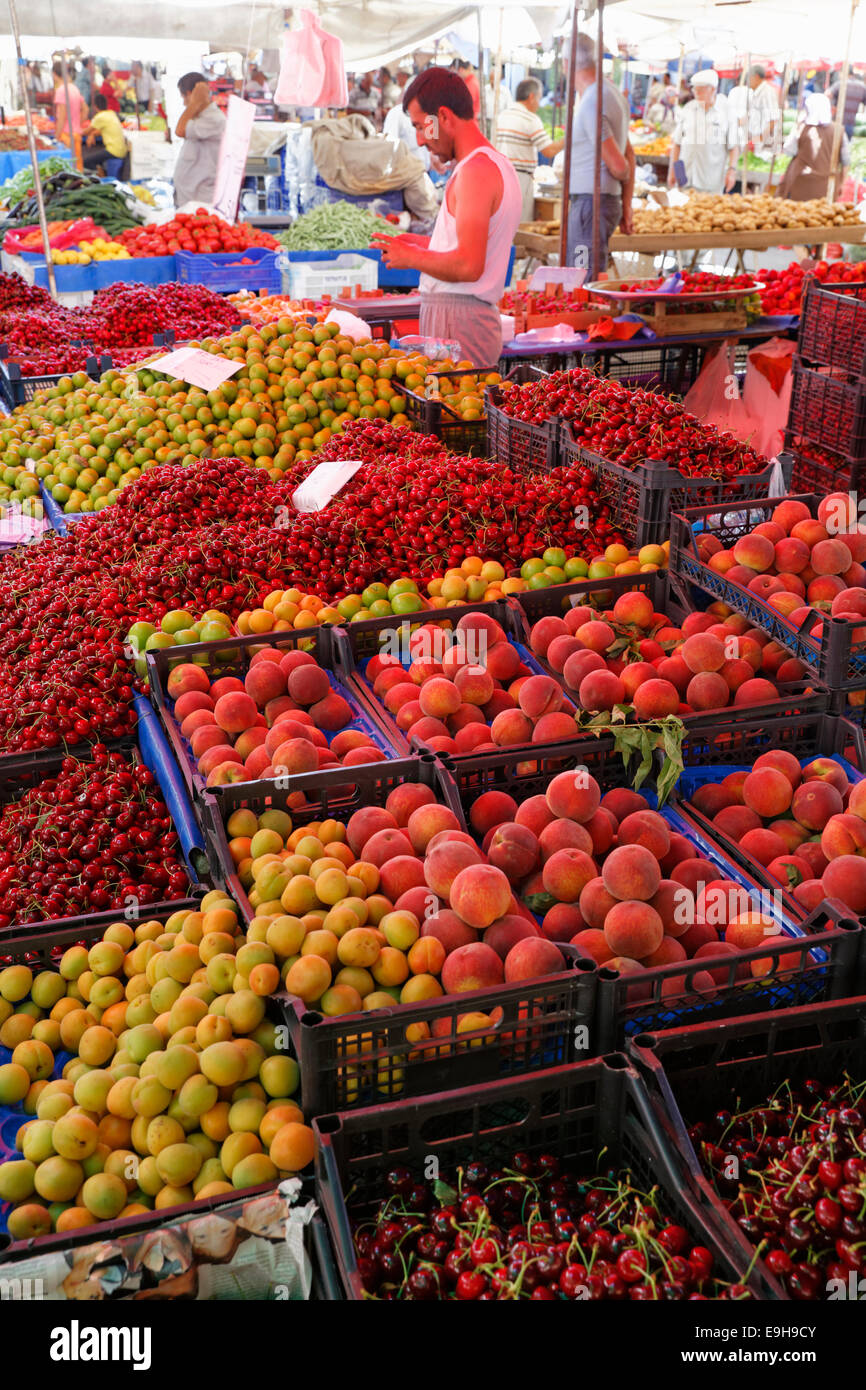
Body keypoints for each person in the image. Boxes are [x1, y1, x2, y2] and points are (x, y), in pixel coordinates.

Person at [371, 67, 522, 366]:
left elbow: (468, 265)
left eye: (420, 126)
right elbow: (470, 248)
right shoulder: (488, 165)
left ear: (442, 117)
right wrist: (421, 245)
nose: (420, 139)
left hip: (460, 322)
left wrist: (412, 258)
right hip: (460, 319)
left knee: (456, 410)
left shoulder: (476, 172)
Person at [567, 34, 634, 276]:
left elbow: (620, 164)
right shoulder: (612, 93)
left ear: (567, 64)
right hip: (601, 202)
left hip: (591, 203)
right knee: (588, 275)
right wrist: (626, 204)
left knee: (581, 279)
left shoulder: (592, 101)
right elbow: (630, 153)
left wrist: (620, 175)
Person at [495, 76, 564, 222]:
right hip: (519, 180)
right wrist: (568, 139)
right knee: (520, 226)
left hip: (499, 177)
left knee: (502, 225)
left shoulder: (502, 116)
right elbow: (549, 151)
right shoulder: (530, 119)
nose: (538, 104)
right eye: (539, 98)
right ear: (531, 97)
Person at [670, 69, 735, 194]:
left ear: (712, 89)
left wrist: (732, 171)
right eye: (695, 90)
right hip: (685, 179)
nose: (696, 94)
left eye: (700, 90)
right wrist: (674, 172)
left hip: (711, 182)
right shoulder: (689, 108)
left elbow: (734, 147)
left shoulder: (726, 112)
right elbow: (677, 144)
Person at [778, 92, 850, 201]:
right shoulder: (839, 131)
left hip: (800, 183)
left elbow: (789, 150)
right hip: (827, 184)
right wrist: (842, 184)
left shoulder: (801, 127)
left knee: (796, 214)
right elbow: (846, 161)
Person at [173, 72, 226, 207]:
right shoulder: (198, 116)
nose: (184, 103)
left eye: (184, 97)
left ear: (190, 94)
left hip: (200, 197)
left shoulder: (214, 118)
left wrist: (196, 101)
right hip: (188, 194)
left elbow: (180, 130)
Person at [383, 83, 430, 169]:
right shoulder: (396, 113)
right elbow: (389, 145)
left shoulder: (428, 112)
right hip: (405, 173)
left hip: (426, 171)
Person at [81, 92, 128, 171]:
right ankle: (101, 171)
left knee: (86, 161)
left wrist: (74, 131)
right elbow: (101, 130)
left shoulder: (100, 116)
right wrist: (92, 134)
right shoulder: (111, 113)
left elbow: (85, 132)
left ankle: (100, 174)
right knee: (96, 156)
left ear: (95, 106)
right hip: (122, 150)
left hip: (113, 151)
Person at [747, 64, 780, 156]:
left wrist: (760, 139)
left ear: (756, 77)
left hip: (765, 146)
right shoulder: (754, 93)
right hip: (756, 143)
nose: (747, 81)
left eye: (749, 78)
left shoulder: (767, 92)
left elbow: (773, 119)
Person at [52, 62, 88, 147]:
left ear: (54, 74)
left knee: (68, 160)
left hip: (66, 136)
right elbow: (86, 109)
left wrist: (56, 138)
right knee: (77, 159)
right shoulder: (74, 88)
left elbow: (62, 117)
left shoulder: (61, 90)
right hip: (76, 134)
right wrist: (76, 125)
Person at [828, 69, 866, 140]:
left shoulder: (839, 84)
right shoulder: (862, 87)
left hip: (837, 123)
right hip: (850, 124)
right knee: (845, 147)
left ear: (844, 73)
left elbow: (827, 95)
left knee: (834, 147)